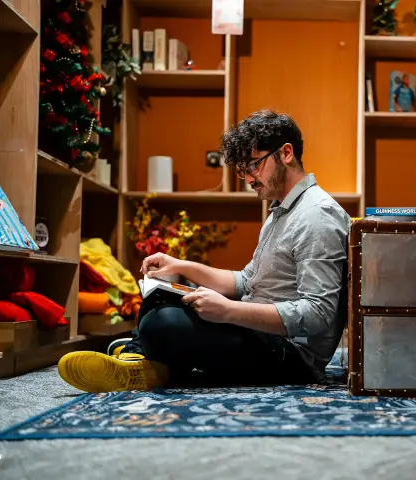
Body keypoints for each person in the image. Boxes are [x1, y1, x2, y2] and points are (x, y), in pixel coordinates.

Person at [57, 110, 351, 393]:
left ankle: (147, 358)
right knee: (160, 293)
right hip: (259, 334)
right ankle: (143, 360)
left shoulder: (317, 215)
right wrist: (182, 266)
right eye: (242, 171)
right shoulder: (281, 212)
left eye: (253, 165)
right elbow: (246, 282)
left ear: (286, 153)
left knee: (164, 323)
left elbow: (319, 313)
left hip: (291, 355)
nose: (248, 178)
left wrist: (229, 311)